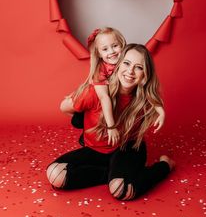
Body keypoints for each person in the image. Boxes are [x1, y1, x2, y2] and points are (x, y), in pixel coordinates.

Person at [46, 44, 175, 200]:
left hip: (127, 148)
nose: (130, 71)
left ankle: (164, 166)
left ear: (145, 74)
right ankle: (109, 175)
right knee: (55, 174)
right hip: (96, 150)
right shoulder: (98, 92)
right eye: (126, 63)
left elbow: (153, 97)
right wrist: (81, 113)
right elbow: (65, 107)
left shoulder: (143, 99)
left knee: (122, 191)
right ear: (118, 65)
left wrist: (161, 111)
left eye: (138, 67)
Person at [63, 27, 126, 146]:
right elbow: (104, 97)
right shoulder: (100, 69)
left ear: (122, 44)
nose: (111, 51)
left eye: (115, 46)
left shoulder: (127, 64)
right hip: (95, 98)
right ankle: (85, 125)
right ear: (99, 53)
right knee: (70, 110)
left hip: (109, 102)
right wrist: (111, 126)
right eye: (105, 49)